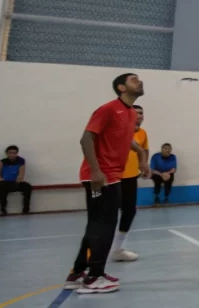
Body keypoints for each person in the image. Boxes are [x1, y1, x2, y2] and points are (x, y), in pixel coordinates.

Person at [65, 73, 149, 295]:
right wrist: (95, 171)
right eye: (133, 80)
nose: (139, 82)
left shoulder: (130, 113)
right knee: (103, 225)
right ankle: (94, 277)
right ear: (121, 87)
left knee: (97, 224)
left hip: (113, 175)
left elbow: (124, 138)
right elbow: (86, 138)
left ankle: (78, 273)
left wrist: (140, 153)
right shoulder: (109, 108)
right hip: (101, 176)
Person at [110, 106, 147, 262]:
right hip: (112, 177)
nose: (139, 115)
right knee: (105, 214)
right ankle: (92, 254)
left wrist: (144, 166)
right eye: (135, 112)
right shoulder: (118, 131)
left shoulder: (142, 133)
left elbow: (143, 150)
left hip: (131, 177)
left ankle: (118, 248)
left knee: (129, 211)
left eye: (141, 113)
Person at [0, 145, 31, 215]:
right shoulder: (1, 162)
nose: (12, 155)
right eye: (10, 153)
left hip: (16, 182)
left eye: (14, 153)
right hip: (5, 182)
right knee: (2, 186)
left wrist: (17, 181)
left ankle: (26, 208)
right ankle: (3, 208)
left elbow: (21, 174)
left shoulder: (21, 161)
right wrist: (2, 180)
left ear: (17, 153)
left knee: (28, 186)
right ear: (7, 153)